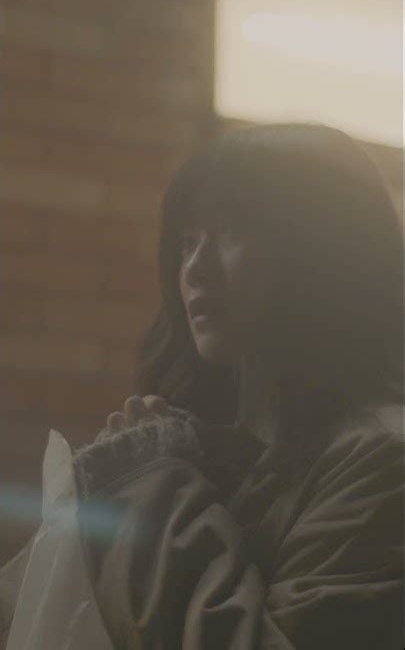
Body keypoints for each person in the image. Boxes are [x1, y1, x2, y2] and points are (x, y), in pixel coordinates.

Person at [73, 124, 403, 649]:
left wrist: (151, 488)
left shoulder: (384, 458)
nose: (194, 269)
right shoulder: (226, 453)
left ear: (326, 249)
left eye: (231, 230)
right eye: (187, 242)